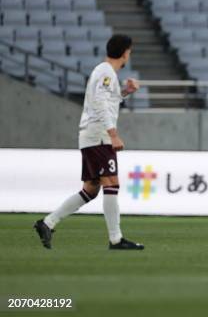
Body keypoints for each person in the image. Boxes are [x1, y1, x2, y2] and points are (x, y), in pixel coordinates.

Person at [34, 34, 144, 250]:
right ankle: (116, 239)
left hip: (92, 135)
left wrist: (125, 93)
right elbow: (101, 104)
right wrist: (112, 134)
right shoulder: (106, 72)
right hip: (99, 136)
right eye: (130, 51)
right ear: (125, 53)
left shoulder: (104, 72)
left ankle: (48, 222)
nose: (129, 55)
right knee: (111, 183)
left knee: (92, 189)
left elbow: (106, 101)